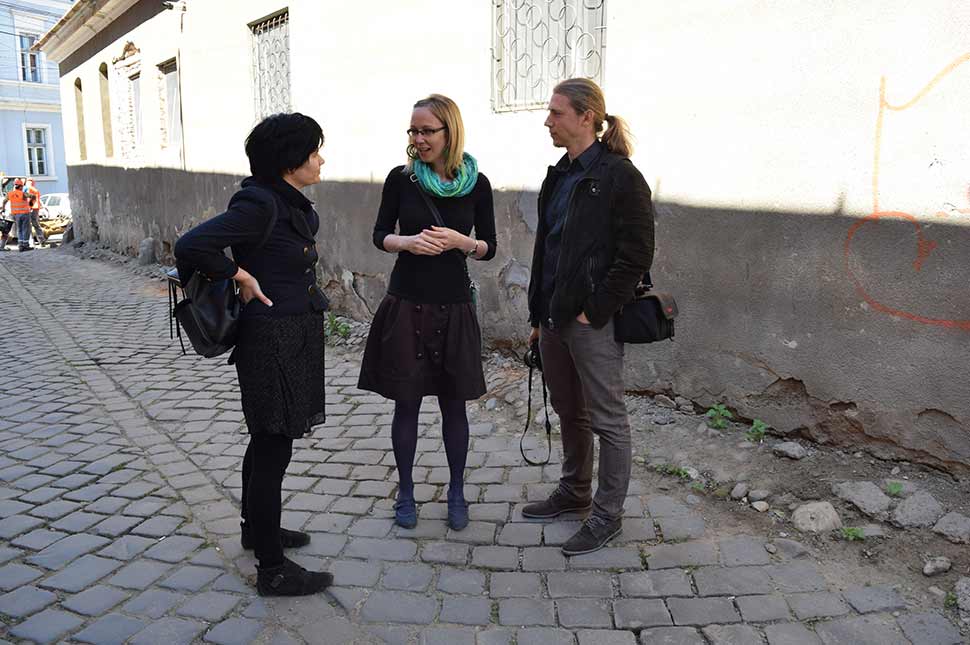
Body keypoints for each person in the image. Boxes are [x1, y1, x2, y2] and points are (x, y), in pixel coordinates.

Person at [174, 113, 333, 596]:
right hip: (271, 339)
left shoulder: (284, 200)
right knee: (272, 446)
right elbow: (191, 245)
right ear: (289, 160)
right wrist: (239, 275)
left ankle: (256, 530)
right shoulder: (259, 202)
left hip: (293, 332)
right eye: (313, 151)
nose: (320, 159)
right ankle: (273, 570)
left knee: (267, 439)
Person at [521, 78, 654, 556]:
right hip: (552, 319)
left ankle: (607, 515)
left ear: (585, 117)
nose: (548, 121)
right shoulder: (559, 175)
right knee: (568, 411)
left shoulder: (620, 176)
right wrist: (537, 315)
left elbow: (636, 256)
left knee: (608, 420)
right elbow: (545, 251)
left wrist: (593, 311)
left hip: (590, 322)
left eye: (556, 113)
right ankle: (575, 491)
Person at [358, 94, 497, 532]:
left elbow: (489, 247)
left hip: (454, 305)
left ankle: (456, 491)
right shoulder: (401, 180)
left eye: (426, 131)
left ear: (449, 132)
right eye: (413, 131)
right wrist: (408, 242)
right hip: (407, 303)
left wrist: (462, 242)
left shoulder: (478, 184)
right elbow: (380, 234)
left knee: (455, 406)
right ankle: (405, 492)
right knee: (407, 404)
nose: (418, 139)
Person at [1, 179, 34, 251]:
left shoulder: (10, 194)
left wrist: (3, 209)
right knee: (26, 229)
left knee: (19, 230)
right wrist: (31, 203)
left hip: (16, 215)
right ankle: (25, 245)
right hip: (25, 213)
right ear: (21, 186)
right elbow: (33, 196)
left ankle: (20, 245)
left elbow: (4, 201)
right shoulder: (23, 194)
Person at [25, 179, 45, 246]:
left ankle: (31, 242)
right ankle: (41, 240)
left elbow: (28, 199)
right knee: (36, 224)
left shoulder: (28, 189)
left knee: (28, 225)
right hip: (35, 209)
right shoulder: (35, 190)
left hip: (30, 208)